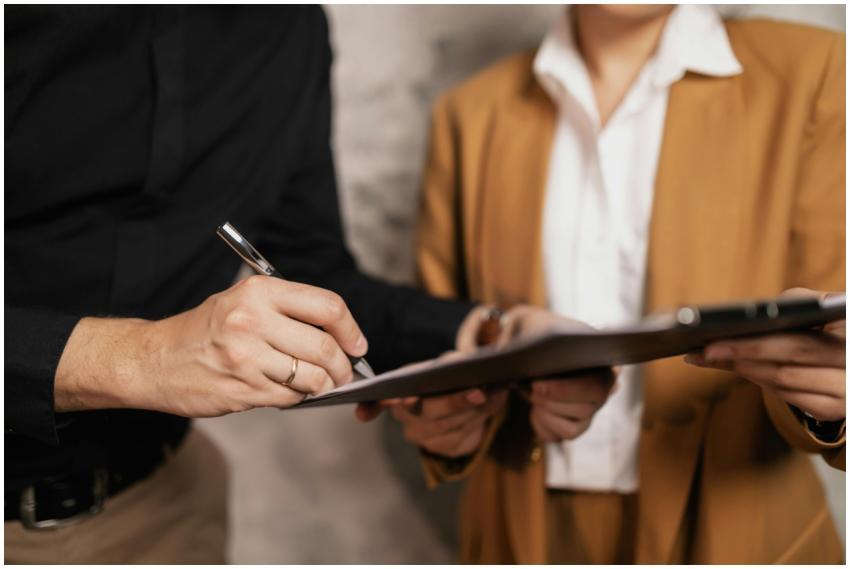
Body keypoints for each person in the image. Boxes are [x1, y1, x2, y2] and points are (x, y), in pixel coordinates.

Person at [4, 5, 503, 563]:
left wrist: (486, 333)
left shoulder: (291, 28)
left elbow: (316, 278)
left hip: (168, 509)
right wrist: (145, 357)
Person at [367, 4, 845, 564]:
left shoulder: (818, 73)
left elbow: (834, 327)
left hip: (744, 530)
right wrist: (446, 418)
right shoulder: (469, 115)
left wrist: (831, 400)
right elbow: (444, 348)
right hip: (516, 530)